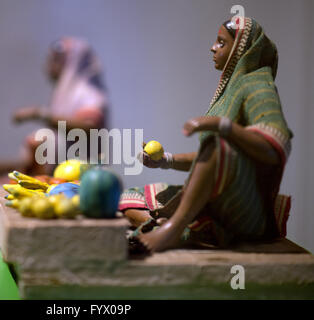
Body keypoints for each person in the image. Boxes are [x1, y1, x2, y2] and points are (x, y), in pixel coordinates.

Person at [120, 17, 292, 252]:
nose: (213, 47)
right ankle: (182, 227)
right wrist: (165, 161)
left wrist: (224, 127)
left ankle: (174, 229)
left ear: (240, 50)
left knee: (218, 143)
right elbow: (209, 159)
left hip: (243, 208)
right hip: (215, 199)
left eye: (221, 42)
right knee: (130, 198)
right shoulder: (232, 87)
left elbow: (275, 146)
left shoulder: (257, 84)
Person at [12, 37, 109, 175]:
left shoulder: (87, 93)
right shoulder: (64, 95)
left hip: (82, 181)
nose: (48, 64)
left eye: (55, 59)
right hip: (61, 178)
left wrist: (38, 114)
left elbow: (89, 127)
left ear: (71, 61)